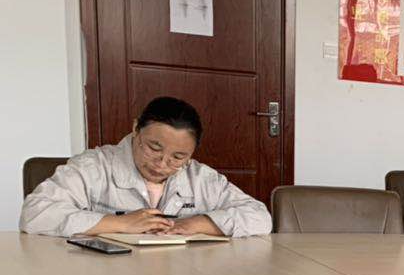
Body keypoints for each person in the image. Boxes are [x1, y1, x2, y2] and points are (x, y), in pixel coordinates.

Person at [20, 96, 270, 238]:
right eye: (153, 148)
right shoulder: (94, 167)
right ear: (135, 129)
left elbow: (260, 217)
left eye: (178, 156)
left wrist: (199, 224)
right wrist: (118, 224)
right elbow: (35, 213)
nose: (161, 164)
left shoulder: (201, 177)